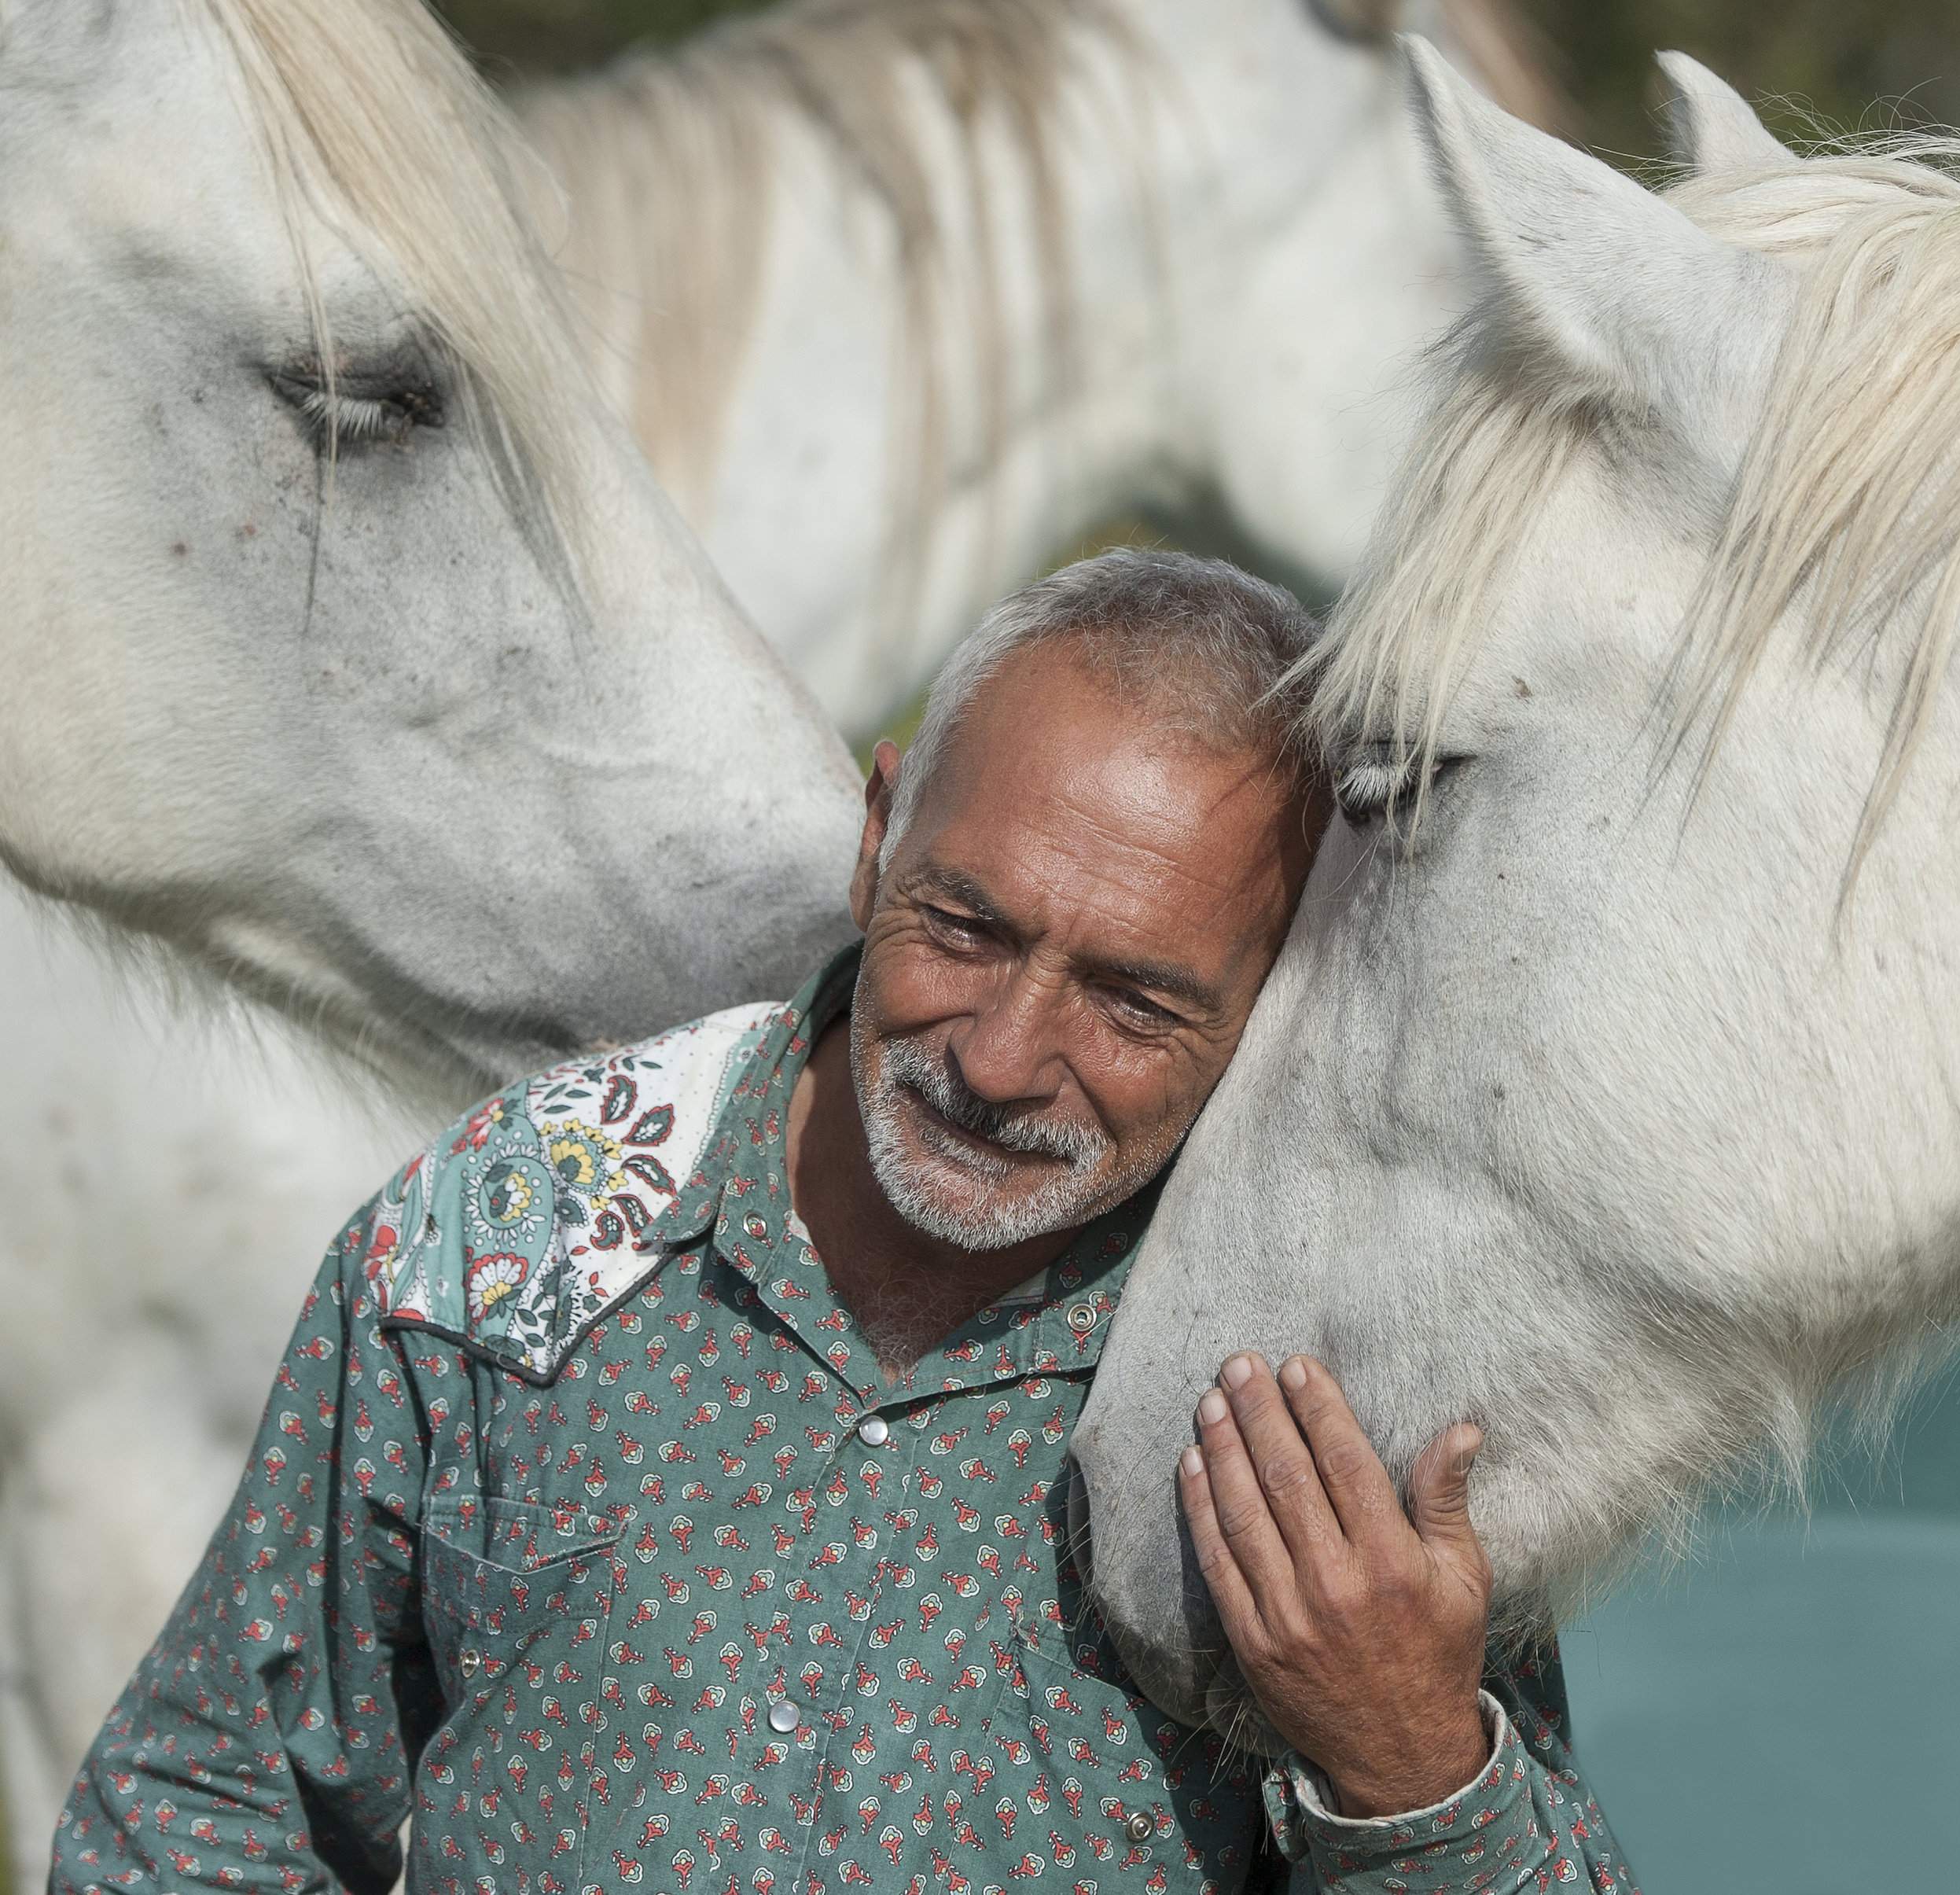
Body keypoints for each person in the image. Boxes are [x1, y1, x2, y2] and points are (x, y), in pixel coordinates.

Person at [51, 552, 1635, 1893]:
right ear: (879, 828)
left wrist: (1410, 1760)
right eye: (966, 923)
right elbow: (201, 1805)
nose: (1001, 1057)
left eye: (1133, 999)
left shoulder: (1332, 1385)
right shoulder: (512, 1225)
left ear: (1280, 991)